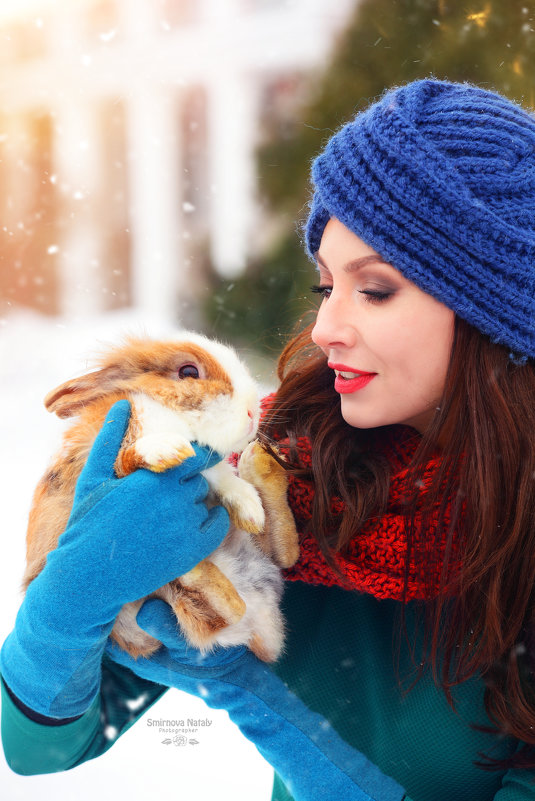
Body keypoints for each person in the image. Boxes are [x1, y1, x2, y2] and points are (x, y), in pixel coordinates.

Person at [2, 77, 535, 801]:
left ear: (493, 313)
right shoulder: (280, 477)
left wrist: (263, 705)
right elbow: (44, 744)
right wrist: (65, 606)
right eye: (325, 288)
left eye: (373, 289)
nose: (324, 330)